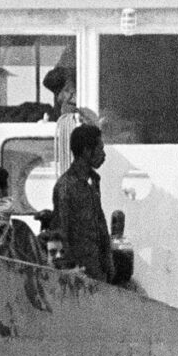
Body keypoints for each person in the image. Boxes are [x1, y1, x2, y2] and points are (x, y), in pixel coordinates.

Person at [53, 122, 113, 284]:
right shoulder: (66, 186)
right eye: (100, 149)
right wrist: (69, 271)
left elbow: (99, 225)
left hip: (98, 272)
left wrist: (108, 262)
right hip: (80, 276)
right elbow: (61, 232)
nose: (104, 155)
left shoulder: (93, 182)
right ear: (87, 151)